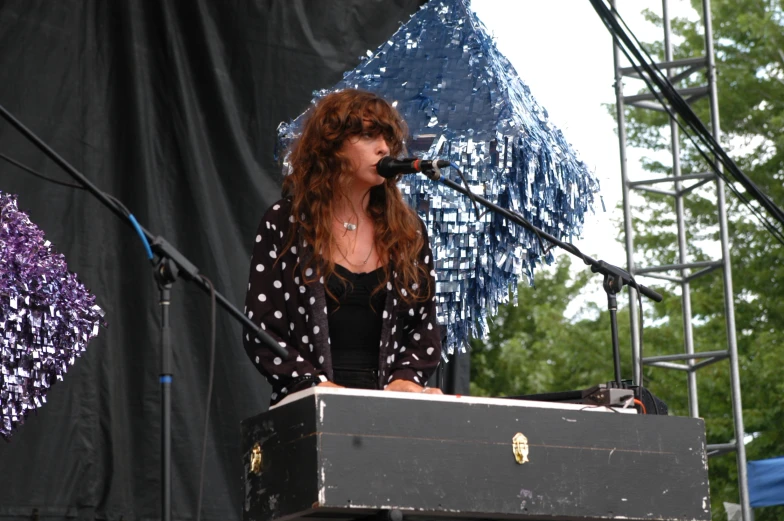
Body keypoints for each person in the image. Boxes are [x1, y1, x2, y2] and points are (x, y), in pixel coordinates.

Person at [243, 89, 442, 406]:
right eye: (367, 136)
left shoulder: (410, 231)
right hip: (308, 408)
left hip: (390, 414)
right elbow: (263, 332)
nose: (383, 148)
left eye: (387, 138)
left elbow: (425, 327)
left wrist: (406, 379)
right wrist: (315, 385)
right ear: (331, 147)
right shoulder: (285, 223)